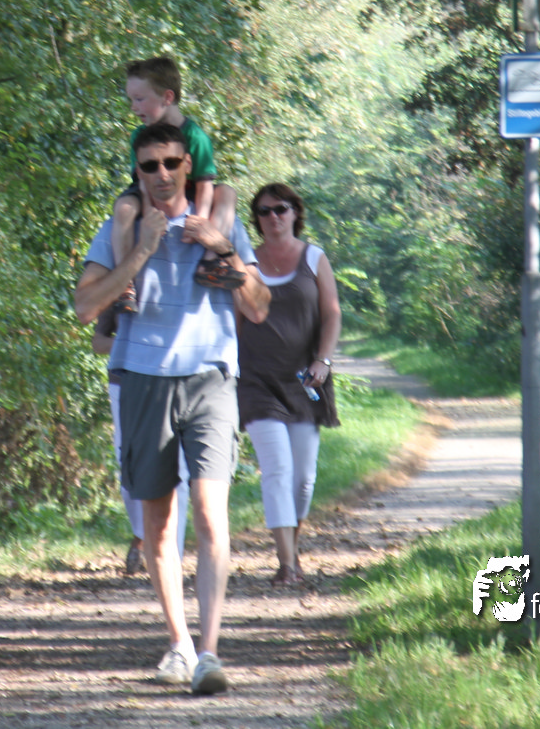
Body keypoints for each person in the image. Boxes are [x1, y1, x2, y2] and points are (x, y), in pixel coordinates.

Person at [75, 122, 270, 696]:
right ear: (137, 173)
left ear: (189, 166)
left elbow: (259, 306)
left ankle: (209, 652)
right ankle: (179, 644)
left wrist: (220, 246)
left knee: (210, 513)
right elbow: (85, 308)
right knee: (159, 525)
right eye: (148, 166)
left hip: (210, 378)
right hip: (143, 380)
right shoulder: (121, 230)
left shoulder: (218, 225)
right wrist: (141, 251)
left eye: (170, 163)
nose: (160, 174)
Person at [236, 183, 342, 587]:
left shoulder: (314, 258)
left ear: (295, 212)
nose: (273, 217)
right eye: (264, 211)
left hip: (305, 381)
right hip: (257, 383)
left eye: (280, 209)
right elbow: (236, 320)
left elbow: (331, 314)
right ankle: (287, 564)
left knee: (303, 478)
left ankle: (291, 550)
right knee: (277, 469)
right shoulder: (246, 263)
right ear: (256, 219)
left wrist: (323, 360)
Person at [110, 57, 242, 313]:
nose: (134, 107)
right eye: (131, 100)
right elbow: (142, 182)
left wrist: (200, 220)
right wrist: (150, 213)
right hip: (152, 191)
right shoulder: (138, 136)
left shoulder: (195, 136)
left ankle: (210, 262)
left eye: (139, 99)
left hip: (189, 190)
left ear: (167, 97)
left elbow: (204, 184)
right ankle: (125, 283)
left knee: (227, 192)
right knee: (123, 207)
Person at [93, 305, 189, 576]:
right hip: (124, 382)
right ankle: (142, 534)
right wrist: (135, 345)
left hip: (176, 379)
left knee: (178, 471)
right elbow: (98, 342)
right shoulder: (120, 285)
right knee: (130, 470)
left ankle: (172, 560)